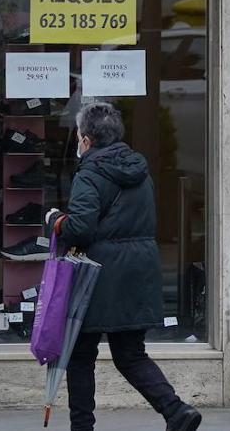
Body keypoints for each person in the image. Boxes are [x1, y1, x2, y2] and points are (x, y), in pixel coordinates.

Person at [45, 101, 202, 431]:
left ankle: (82, 427)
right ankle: (176, 411)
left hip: (97, 277)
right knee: (131, 354)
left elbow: (82, 228)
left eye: (78, 136)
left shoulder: (89, 173)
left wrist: (58, 222)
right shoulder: (140, 172)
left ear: (86, 140)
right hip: (138, 271)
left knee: (80, 356)